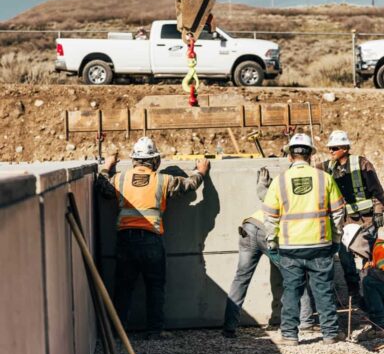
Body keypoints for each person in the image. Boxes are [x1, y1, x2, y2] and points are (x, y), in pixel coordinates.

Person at [96, 136, 210, 338]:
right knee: (155, 286)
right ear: (154, 160)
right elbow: (189, 186)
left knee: (124, 287)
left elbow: (101, 188)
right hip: (151, 241)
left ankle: (118, 332)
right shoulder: (163, 180)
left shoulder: (120, 178)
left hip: (125, 239)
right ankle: (154, 331)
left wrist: (107, 166)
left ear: (134, 160)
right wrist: (201, 171)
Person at [263, 133, 346, 346]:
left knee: (291, 291)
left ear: (291, 156)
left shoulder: (280, 181)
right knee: (323, 289)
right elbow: (338, 212)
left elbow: (270, 216)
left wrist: (272, 241)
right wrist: (336, 238)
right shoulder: (324, 178)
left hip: (290, 246)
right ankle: (330, 334)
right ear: (310, 155)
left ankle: (290, 335)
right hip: (320, 244)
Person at [222, 167, 317, 338]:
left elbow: (263, 195)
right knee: (296, 275)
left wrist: (261, 184)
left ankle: (229, 327)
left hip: (249, 226)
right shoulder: (301, 200)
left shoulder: (280, 193)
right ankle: (307, 322)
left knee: (241, 278)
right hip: (267, 233)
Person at [319, 130, 384, 298]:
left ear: (345, 148)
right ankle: (353, 288)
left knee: (368, 255)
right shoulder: (327, 167)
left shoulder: (362, 164)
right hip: (344, 222)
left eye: (335, 148)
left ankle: (370, 287)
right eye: (330, 148)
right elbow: (307, 170)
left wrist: (378, 212)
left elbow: (376, 190)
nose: (331, 151)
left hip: (366, 220)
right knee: (344, 255)